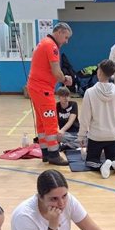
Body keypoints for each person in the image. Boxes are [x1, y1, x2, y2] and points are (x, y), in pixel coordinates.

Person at [28, 22, 74, 166]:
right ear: (59, 32)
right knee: (50, 122)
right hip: (43, 89)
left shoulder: (43, 43)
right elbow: (56, 71)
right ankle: (54, 154)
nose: (66, 41)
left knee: (41, 123)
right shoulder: (51, 46)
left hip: (34, 87)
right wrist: (66, 79)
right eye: (66, 37)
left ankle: (45, 153)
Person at [77, 59, 115, 179]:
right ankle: (113, 163)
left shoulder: (90, 92)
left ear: (99, 72)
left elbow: (85, 118)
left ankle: (101, 166)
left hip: (96, 137)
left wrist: (81, 136)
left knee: (91, 161)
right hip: (113, 136)